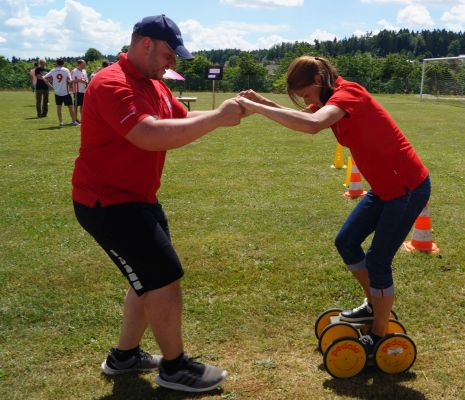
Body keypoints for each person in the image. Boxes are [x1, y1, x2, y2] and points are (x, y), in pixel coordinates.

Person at [71, 15, 243, 393]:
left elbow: (182, 118)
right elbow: (148, 135)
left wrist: (228, 113)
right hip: (108, 202)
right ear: (145, 43)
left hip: (138, 198)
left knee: (148, 279)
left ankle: (125, 356)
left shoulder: (155, 84)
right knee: (163, 278)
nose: (173, 63)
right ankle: (175, 368)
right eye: (169, 54)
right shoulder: (112, 83)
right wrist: (218, 117)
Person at [236, 55, 430, 355]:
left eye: (306, 94)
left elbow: (312, 125)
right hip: (384, 188)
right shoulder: (329, 97)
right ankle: (373, 305)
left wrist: (257, 107)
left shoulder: (348, 94)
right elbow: (304, 116)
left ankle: (379, 335)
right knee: (347, 241)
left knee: (378, 262)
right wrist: (262, 102)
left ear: (318, 81)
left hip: (406, 187)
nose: (306, 101)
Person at [42, 58, 79, 127]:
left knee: (59, 107)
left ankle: (61, 123)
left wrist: (51, 87)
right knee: (70, 107)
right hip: (66, 92)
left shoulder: (53, 70)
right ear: (63, 63)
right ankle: (74, 122)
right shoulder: (66, 70)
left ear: (57, 63)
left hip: (57, 92)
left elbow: (44, 78)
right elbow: (70, 80)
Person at [71, 59, 88, 123]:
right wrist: (79, 80)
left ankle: (83, 119)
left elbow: (86, 80)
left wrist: (86, 83)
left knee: (82, 106)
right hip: (77, 91)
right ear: (79, 64)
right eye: (83, 64)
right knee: (76, 106)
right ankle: (75, 119)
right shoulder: (74, 71)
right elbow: (71, 80)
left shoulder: (84, 71)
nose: (85, 65)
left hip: (83, 91)